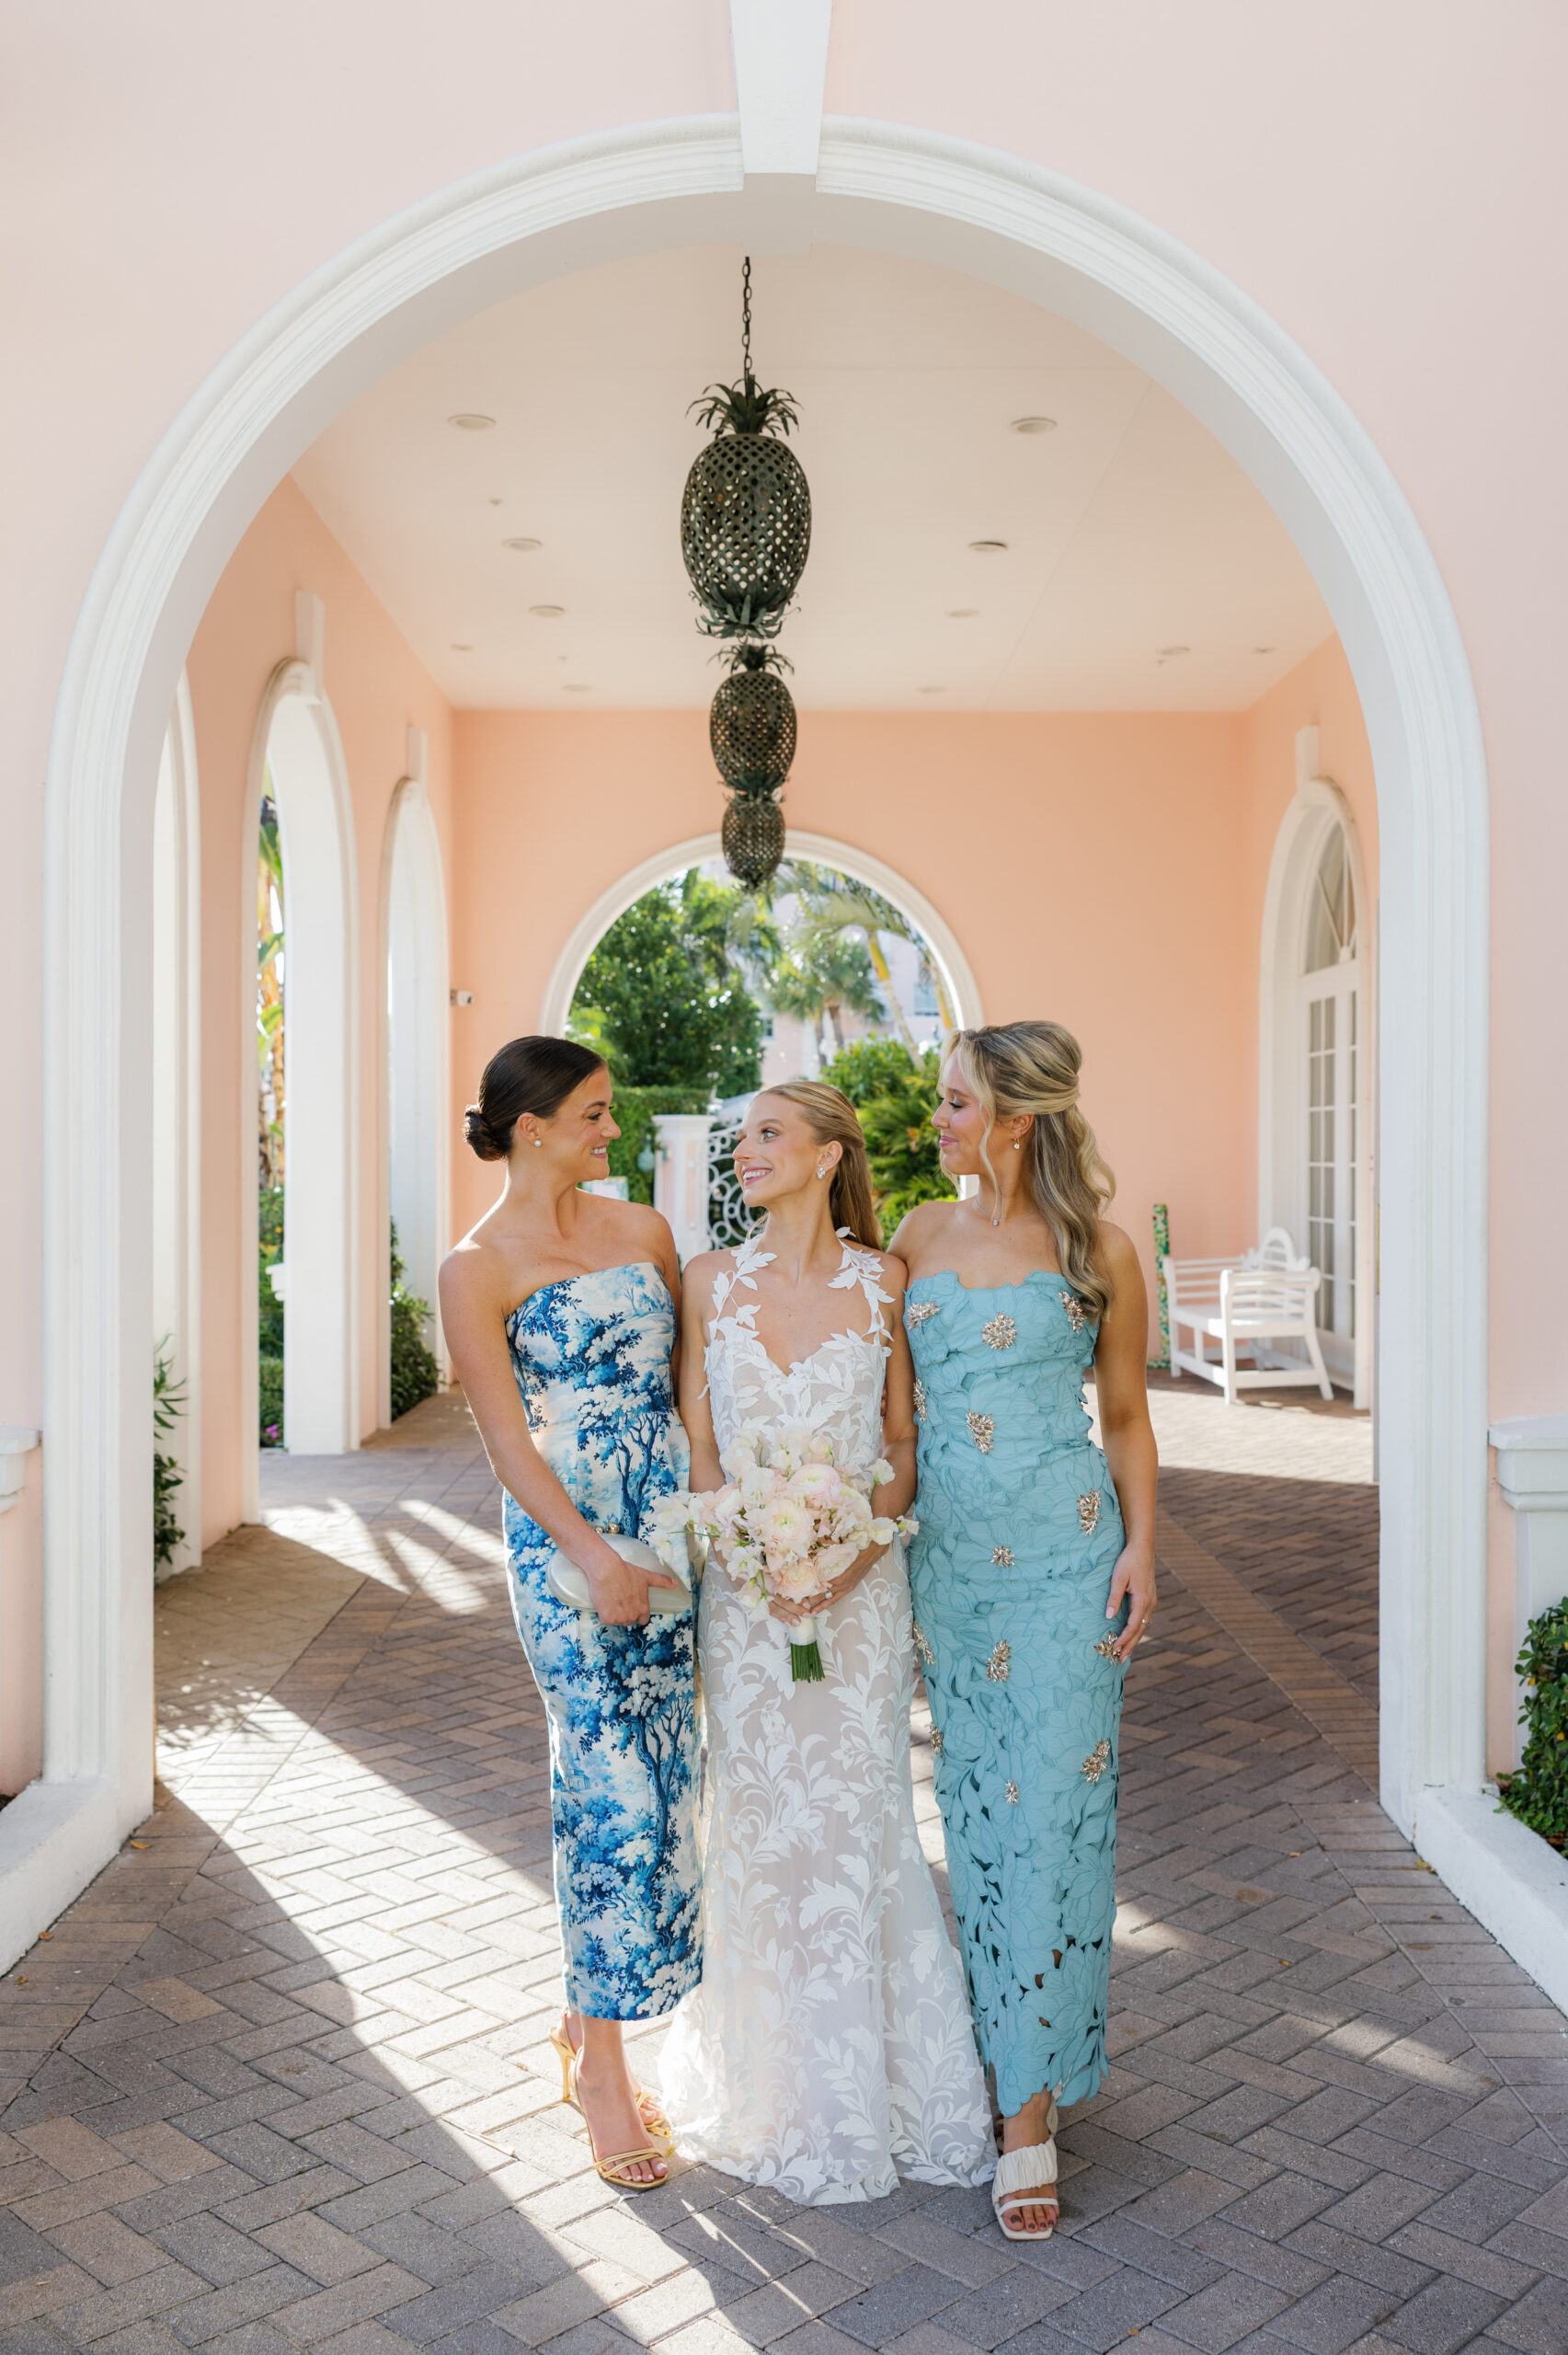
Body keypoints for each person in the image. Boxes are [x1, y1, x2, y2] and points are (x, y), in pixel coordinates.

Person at [659, 1080, 994, 2205]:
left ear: (824, 1155)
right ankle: (768, 2088)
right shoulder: (709, 1280)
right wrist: (744, 1546)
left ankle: (878, 2083)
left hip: (861, 1599)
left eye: (768, 1133)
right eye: (741, 1134)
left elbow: (902, 1438)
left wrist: (851, 1551)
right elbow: (699, 1437)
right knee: (758, 1820)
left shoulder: (884, 1280)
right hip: (745, 1604)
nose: (745, 1149)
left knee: (859, 1817)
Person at [889, 1022, 1158, 2241]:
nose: (937, 1119)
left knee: (1052, 1819)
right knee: (977, 1814)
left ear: (1015, 1120)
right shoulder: (912, 1237)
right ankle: (1002, 2048)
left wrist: (1143, 1548)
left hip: (1067, 1565)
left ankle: (1029, 2111)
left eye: (954, 1102)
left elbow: (1127, 1416)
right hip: (949, 1572)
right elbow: (886, 1413)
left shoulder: (1100, 1248)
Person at [440, 1036, 698, 2193]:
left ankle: (585, 2019)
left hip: (670, 1529)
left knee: (671, 1780)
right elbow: (506, 1443)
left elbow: (693, 1384)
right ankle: (599, 2064)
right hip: (566, 1552)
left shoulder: (643, 1230)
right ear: (532, 1124)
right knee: (608, 1793)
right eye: (594, 1113)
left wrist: (713, 1519)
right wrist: (594, 1558)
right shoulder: (474, 1267)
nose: (612, 1130)